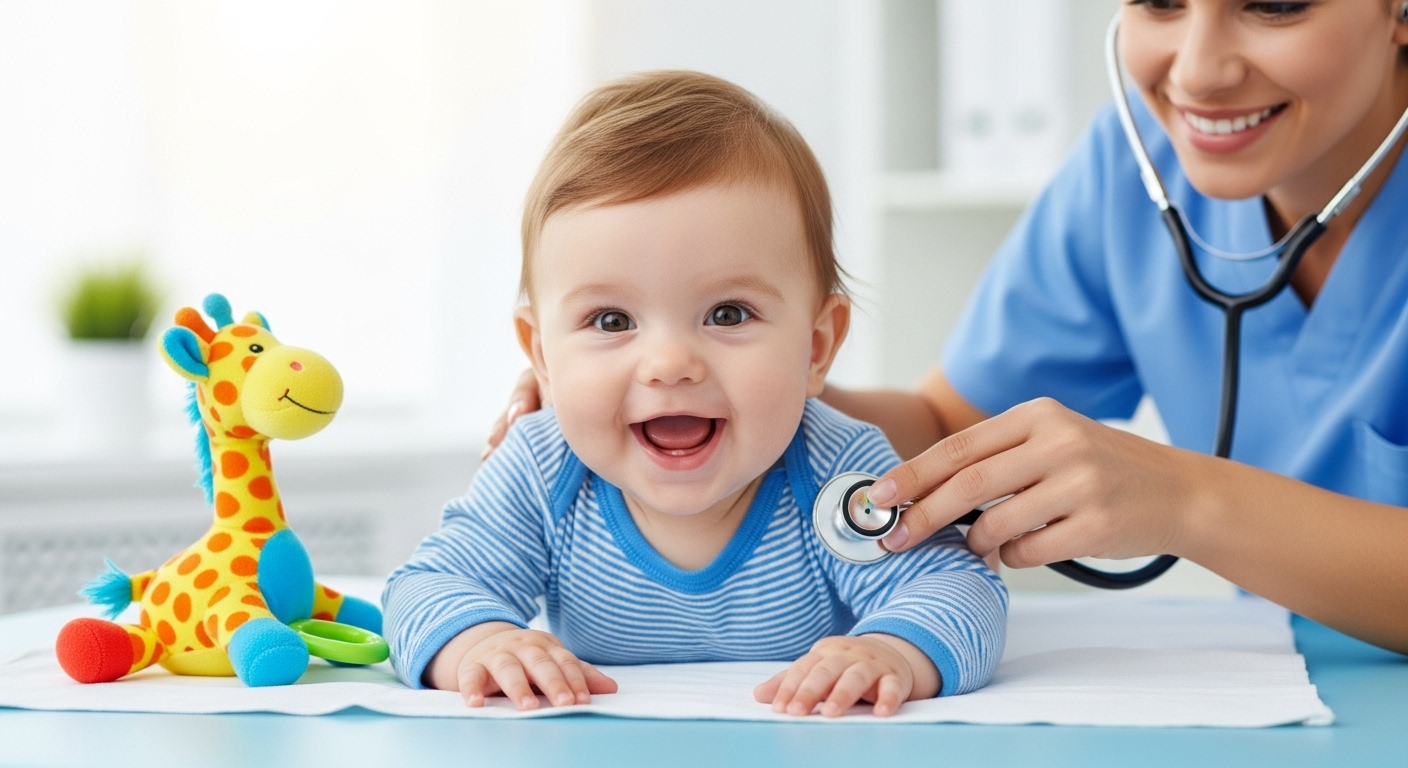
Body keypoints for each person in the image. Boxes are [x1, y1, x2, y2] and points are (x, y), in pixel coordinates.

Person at [489, 1, 1408, 655]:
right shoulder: (1137, 166)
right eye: (1159, 2)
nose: (1200, 69)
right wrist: (730, 382)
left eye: (1276, 5)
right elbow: (943, 430)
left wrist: (1188, 501)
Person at [384, 71, 1008, 717]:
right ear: (542, 354)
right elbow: (424, 588)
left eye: (729, 314)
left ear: (817, 346)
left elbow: (959, 590)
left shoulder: (834, 467)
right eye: (611, 321)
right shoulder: (544, 469)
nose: (669, 364)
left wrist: (892, 652)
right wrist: (480, 643)